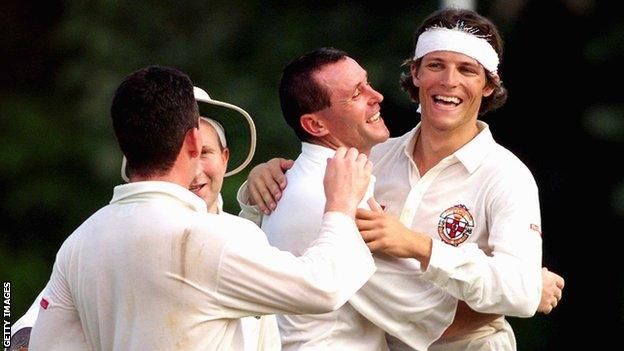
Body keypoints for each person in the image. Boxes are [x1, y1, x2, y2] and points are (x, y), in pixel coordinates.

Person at [240, 8, 564, 351]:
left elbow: (516, 285)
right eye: (436, 65)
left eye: (467, 70)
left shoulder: (507, 176)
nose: (449, 81)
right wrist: (262, 181)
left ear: (488, 86)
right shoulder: (369, 161)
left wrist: (420, 247)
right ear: (416, 73)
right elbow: (311, 186)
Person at [28, 66, 377, 351]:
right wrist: (341, 206)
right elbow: (323, 287)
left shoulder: (79, 242)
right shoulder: (220, 237)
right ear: (193, 140)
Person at [9, 89, 280, 351]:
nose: (195, 169)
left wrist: (262, 187)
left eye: (204, 152)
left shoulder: (244, 234)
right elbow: (26, 333)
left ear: (225, 158)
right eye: (182, 154)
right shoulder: (110, 242)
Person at [238, 47, 456, 351]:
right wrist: (522, 290)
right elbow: (427, 314)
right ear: (316, 126)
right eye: (356, 94)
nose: (376, 95)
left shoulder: (304, 177)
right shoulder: (337, 198)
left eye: (366, 82)